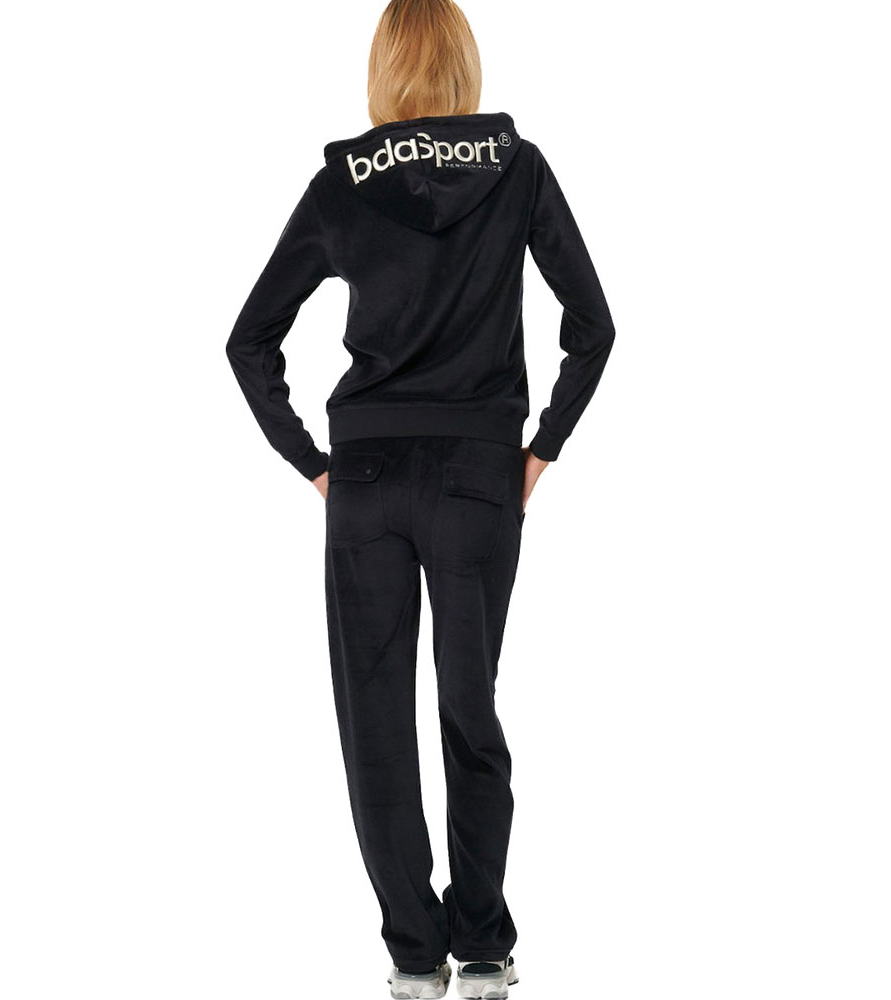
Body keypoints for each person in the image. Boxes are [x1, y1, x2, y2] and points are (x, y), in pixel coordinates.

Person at [224, 1, 616, 996]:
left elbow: (248, 339)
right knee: (468, 704)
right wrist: (539, 450)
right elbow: (593, 324)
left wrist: (314, 463)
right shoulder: (518, 169)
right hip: (479, 476)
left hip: (364, 478)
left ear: (384, 70)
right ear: (464, 68)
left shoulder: (342, 183)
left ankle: (412, 951)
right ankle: (482, 944)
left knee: (375, 720)